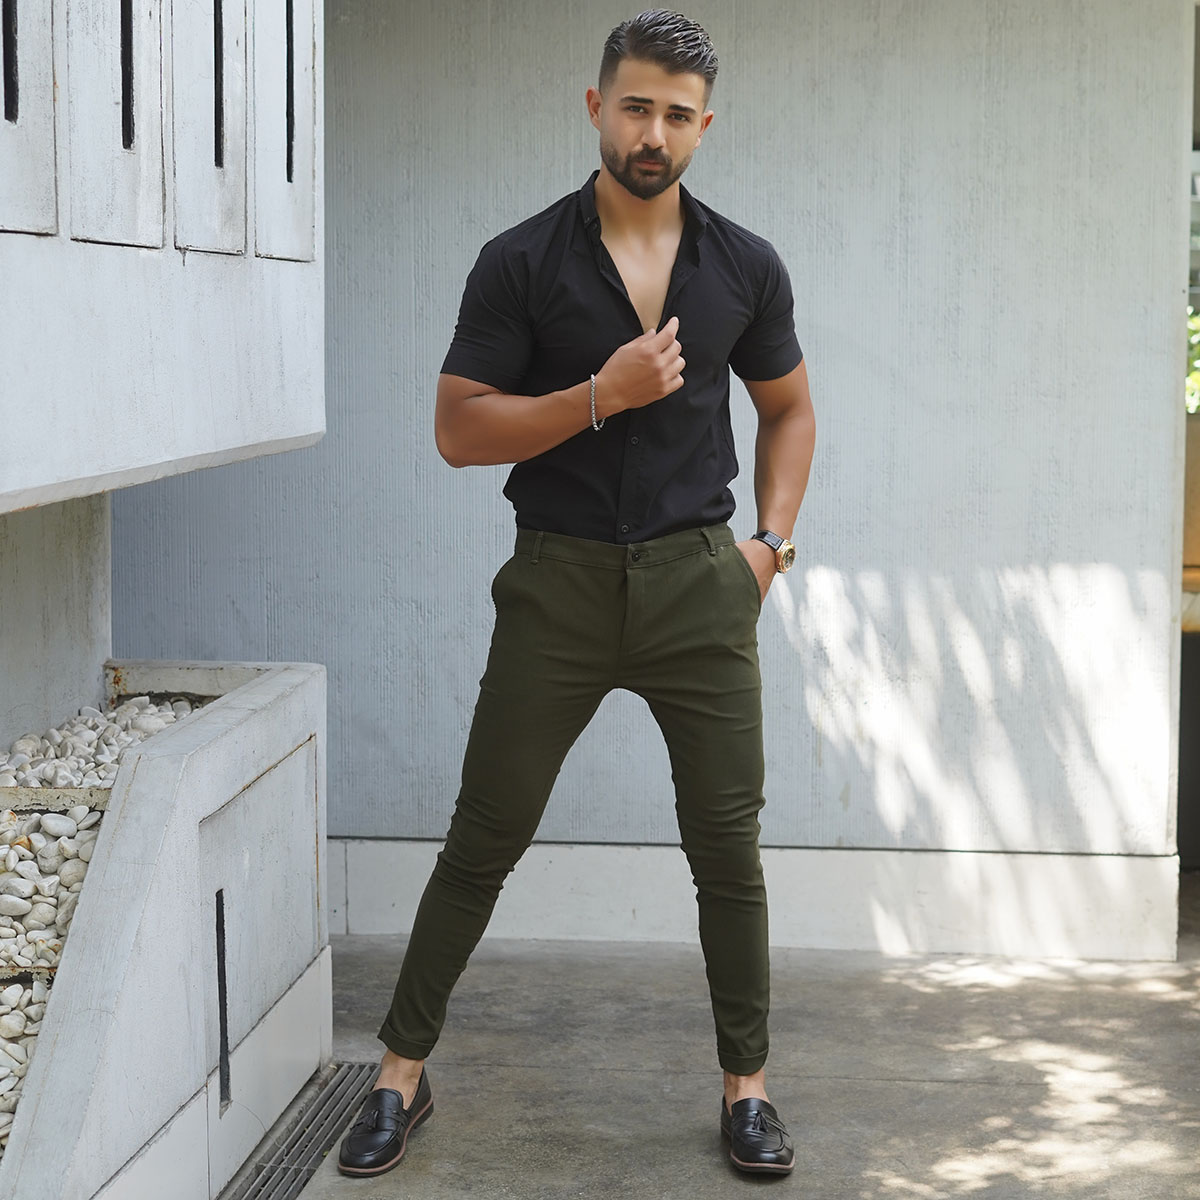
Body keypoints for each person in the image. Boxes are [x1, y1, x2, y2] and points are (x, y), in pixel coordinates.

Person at [338, 8, 815, 1180]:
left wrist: (768, 547)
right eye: (636, 106)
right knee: (484, 834)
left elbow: (789, 409)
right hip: (556, 584)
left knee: (727, 849)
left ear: (705, 126)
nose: (654, 132)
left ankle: (748, 1089)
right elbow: (459, 431)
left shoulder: (745, 265)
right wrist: (598, 395)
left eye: (678, 115)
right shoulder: (522, 260)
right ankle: (399, 1074)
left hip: (700, 587)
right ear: (597, 105)